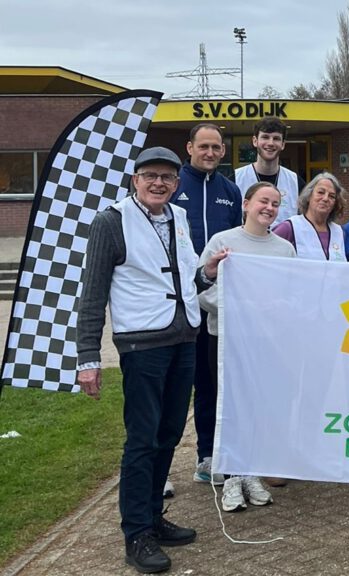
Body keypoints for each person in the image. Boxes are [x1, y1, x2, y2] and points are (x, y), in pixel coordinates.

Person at [76, 147, 225, 573]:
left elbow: (182, 273)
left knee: (170, 433)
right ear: (135, 180)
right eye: (150, 176)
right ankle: (136, 532)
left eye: (167, 177)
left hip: (183, 337)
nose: (159, 183)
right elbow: (93, 293)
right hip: (142, 344)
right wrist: (88, 357)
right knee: (142, 439)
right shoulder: (111, 221)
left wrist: (206, 272)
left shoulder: (178, 216)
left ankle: (154, 516)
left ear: (176, 183)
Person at [197, 181, 296, 512]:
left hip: (265, 342)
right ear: (246, 204)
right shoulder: (222, 241)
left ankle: (250, 471)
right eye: (263, 201)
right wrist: (241, 310)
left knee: (257, 404)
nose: (269, 208)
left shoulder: (284, 249)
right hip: (226, 338)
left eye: (275, 204)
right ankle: (230, 476)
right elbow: (204, 290)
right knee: (228, 405)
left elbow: (291, 293)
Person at [171, 123, 242, 492]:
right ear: (190, 148)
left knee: (211, 383)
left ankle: (207, 455)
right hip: (176, 301)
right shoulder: (173, 184)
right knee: (174, 384)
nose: (210, 153)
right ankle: (160, 467)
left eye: (216, 147)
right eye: (204, 146)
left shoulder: (230, 191)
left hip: (214, 303)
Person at [234, 116, 299, 228]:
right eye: (265, 137)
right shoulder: (235, 179)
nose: (270, 143)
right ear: (255, 141)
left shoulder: (296, 182)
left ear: (283, 144)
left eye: (276, 138)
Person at [273, 172, 347, 261]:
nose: (325, 198)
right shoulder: (289, 228)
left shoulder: (339, 232)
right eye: (320, 192)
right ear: (309, 196)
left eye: (332, 196)